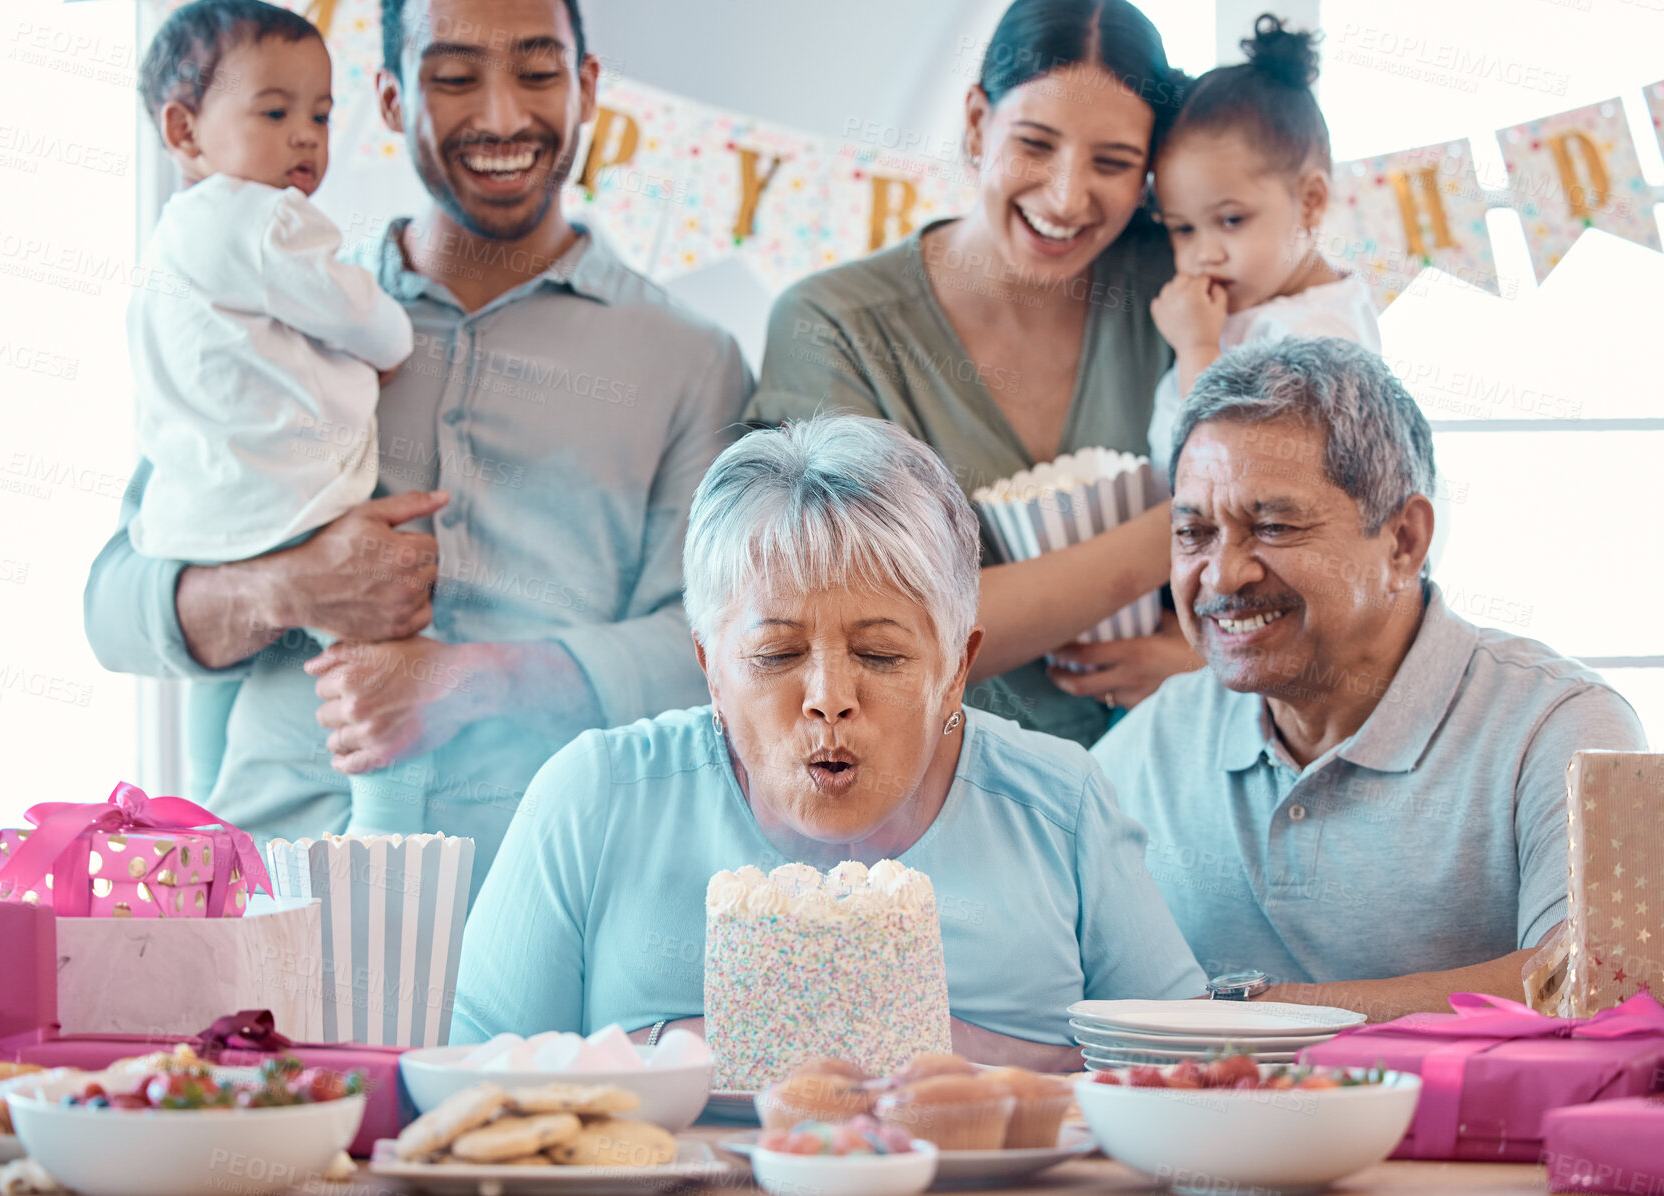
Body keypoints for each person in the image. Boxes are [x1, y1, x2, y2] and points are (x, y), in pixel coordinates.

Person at [83, 0, 751, 885]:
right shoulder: (271, 305)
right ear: (393, 100)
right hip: (261, 890)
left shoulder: (691, 359)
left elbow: (725, 649)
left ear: (587, 89)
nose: (502, 115)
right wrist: (287, 586)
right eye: (452, 77)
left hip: (546, 894)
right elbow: (116, 609)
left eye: (538, 72)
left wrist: (478, 678)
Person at [453, 415, 1205, 1068]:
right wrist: (687, 1051)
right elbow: (472, 1078)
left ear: (955, 668)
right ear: (711, 668)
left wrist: (950, 1053)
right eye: (776, 655)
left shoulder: (1058, 800)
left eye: (880, 655)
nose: (829, 700)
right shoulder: (595, 797)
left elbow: (1187, 1076)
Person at [1092, 338, 1647, 1019]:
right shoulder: (1153, 739)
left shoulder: (1559, 726)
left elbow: (1600, 983)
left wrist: (1261, 1013)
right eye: (1194, 533)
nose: (1222, 573)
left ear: (1403, 541)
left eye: (1270, 525)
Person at [746, 0, 1204, 748]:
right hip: (937, 801)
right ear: (973, 123)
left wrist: (1206, 657)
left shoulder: (1181, 288)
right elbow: (871, 632)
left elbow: (1320, 531)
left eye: (1113, 163)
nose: (1065, 195)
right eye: (1034, 143)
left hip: (1179, 778)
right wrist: (1195, 524)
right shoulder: (833, 324)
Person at [130, 0, 431, 838]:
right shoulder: (265, 220)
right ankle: (383, 826)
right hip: (291, 501)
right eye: (274, 112)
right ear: (184, 132)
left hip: (201, 512)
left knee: (217, 700)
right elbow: (371, 322)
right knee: (360, 665)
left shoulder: (172, 235)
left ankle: (194, 821)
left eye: (322, 116)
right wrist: (390, 337)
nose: (306, 137)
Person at [1144, 14, 1379, 477]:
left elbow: (1239, 466)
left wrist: (1196, 347)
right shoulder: (1259, 305)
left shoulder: (1322, 334)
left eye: (1231, 219)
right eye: (1182, 229)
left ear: (1310, 201)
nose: (1204, 253)